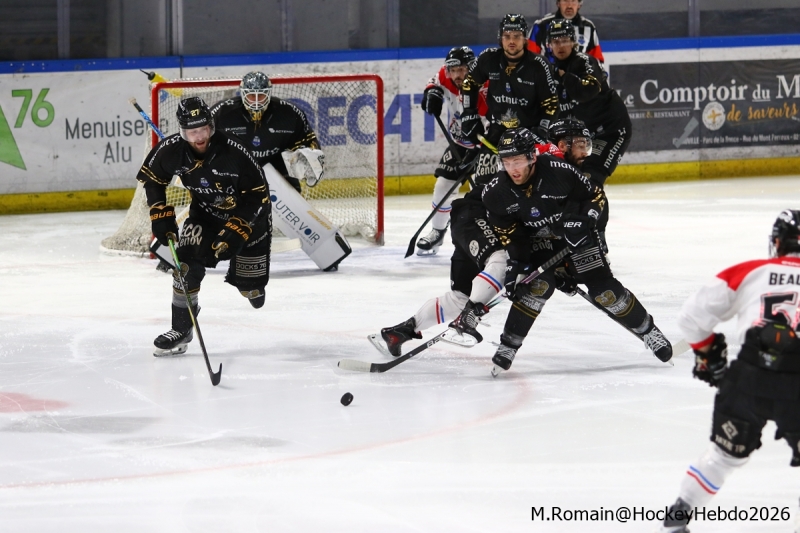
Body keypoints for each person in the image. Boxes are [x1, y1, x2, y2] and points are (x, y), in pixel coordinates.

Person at [454, 127, 672, 374]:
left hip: (575, 235)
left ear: (532, 157)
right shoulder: (496, 193)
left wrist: (586, 220)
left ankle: (648, 331)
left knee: (604, 291)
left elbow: (595, 195)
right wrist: (517, 266)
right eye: (507, 161)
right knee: (536, 286)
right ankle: (508, 346)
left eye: (518, 160)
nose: (513, 168)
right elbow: (513, 237)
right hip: (539, 242)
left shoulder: (558, 171)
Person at [659, 210, 800, 533]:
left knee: (724, 456)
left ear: (777, 243)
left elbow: (691, 319)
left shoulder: (751, 271)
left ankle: (676, 521)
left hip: (750, 376)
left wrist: (708, 352)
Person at [377, 131, 564, 357]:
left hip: (473, 223)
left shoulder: (537, 162)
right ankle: (468, 318)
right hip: (475, 218)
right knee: (502, 260)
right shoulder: (545, 165)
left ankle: (403, 330)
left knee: (460, 298)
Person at [137, 97, 271, 356]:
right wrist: (160, 214)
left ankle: (249, 284)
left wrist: (237, 228)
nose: (198, 137)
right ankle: (182, 328)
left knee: (251, 290)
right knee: (185, 266)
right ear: (182, 131)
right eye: (191, 131)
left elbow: (259, 195)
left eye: (203, 129)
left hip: (249, 216)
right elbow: (153, 180)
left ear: (211, 126)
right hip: (205, 216)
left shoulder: (235, 151)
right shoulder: (172, 150)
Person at [546, 18, 631, 252]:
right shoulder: (547, 70)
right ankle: (571, 231)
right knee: (567, 180)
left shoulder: (585, 61)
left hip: (612, 131)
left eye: (565, 39)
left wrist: (564, 76)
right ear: (549, 44)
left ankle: (598, 237)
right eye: (556, 40)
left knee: (589, 180)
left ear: (574, 42)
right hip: (584, 136)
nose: (561, 45)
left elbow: (589, 89)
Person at [459, 13, 559, 185]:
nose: (511, 41)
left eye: (517, 36)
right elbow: (469, 84)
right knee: (482, 187)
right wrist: (469, 114)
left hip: (527, 136)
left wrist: (541, 130)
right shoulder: (488, 58)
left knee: (528, 188)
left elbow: (551, 104)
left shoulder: (539, 65)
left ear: (525, 38)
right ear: (500, 37)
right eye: (507, 36)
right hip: (496, 133)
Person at [416, 46, 488, 256]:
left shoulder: (484, 89)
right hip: (460, 142)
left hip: (488, 146)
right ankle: (437, 233)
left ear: (472, 68)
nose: (457, 75)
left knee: (488, 192)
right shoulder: (445, 75)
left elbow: (494, 124)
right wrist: (432, 92)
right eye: (453, 70)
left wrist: (479, 153)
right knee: (442, 185)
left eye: (462, 69)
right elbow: (435, 80)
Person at [211, 71, 323, 194]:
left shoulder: (289, 113)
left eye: (261, 96)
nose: (256, 101)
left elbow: (307, 139)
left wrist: (311, 157)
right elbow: (203, 142)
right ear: (243, 94)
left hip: (277, 166)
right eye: (252, 96)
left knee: (293, 195)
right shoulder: (221, 113)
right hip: (237, 167)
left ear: (269, 94)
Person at [528, 0, 605, 68]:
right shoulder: (541, 25)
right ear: (558, 3)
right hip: (546, 82)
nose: (569, 5)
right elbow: (529, 58)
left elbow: (596, 61)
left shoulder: (588, 27)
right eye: (565, 0)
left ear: (579, 4)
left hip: (578, 81)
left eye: (573, 0)